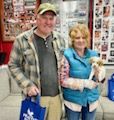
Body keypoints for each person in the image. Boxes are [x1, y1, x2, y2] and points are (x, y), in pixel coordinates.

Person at [8, 3, 66, 120]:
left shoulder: (60, 39)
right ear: (37, 18)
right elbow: (13, 65)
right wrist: (27, 85)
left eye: (51, 18)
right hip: (36, 98)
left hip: (57, 97)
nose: (48, 22)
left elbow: (63, 64)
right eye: (44, 18)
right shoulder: (22, 40)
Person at [59, 23, 105, 120]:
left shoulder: (94, 54)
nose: (81, 40)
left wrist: (99, 74)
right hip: (73, 100)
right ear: (72, 40)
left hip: (91, 99)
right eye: (77, 38)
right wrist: (84, 83)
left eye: (83, 37)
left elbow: (100, 79)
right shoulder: (67, 55)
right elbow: (63, 80)